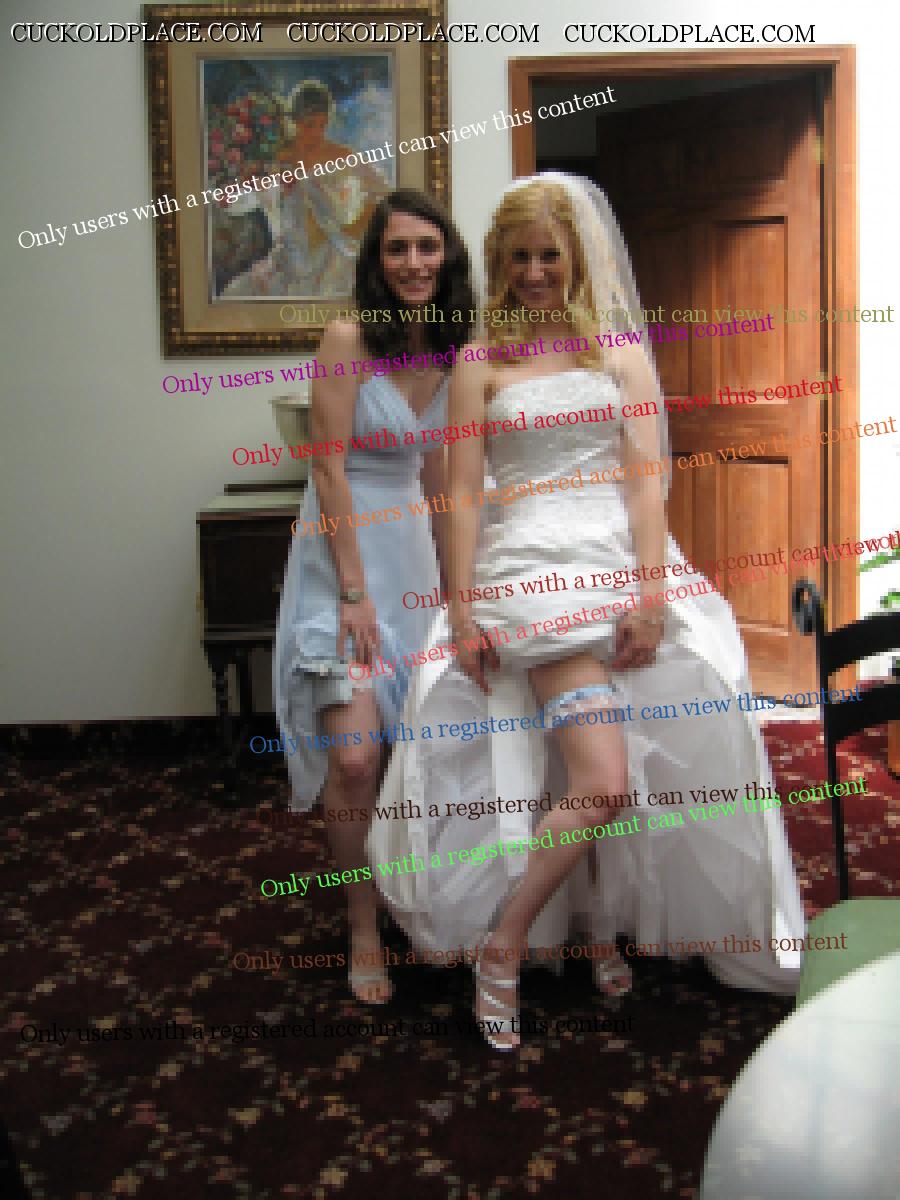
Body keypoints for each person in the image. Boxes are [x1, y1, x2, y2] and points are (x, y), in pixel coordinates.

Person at [369, 173, 805, 1048]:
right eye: (519, 257)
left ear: (577, 258)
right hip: (536, 582)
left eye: (550, 256)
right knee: (602, 777)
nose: (535, 273)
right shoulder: (480, 363)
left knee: (617, 754)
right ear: (499, 262)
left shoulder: (619, 356)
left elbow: (645, 484)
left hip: (624, 571)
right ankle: (504, 946)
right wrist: (462, 608)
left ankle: (600, 925)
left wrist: (653, 592)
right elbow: (462, 493)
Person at [273, 189, 474, 1003]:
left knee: (410, 747)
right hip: (341, 554)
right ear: (376, 260)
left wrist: (459, 587)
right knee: (354, 758)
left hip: (413, 558)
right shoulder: (348, 337)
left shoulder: (455, 347)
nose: (414, 262)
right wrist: (353, 593)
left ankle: (407, 889)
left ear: (448, 256)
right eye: (397, 248)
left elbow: (440, 476)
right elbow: (326, 468)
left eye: (428, 246)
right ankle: (362, 924)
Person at [224, 81, 389, 298]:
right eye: (310, 125)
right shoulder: (278, 157)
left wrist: (355, 222)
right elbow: (245, 200)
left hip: (332, 252)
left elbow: (383, 192)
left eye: (322, 125)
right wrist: (239, 189)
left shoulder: (341, 155)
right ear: (295, 121)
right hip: (289, 259)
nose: (317, 132)